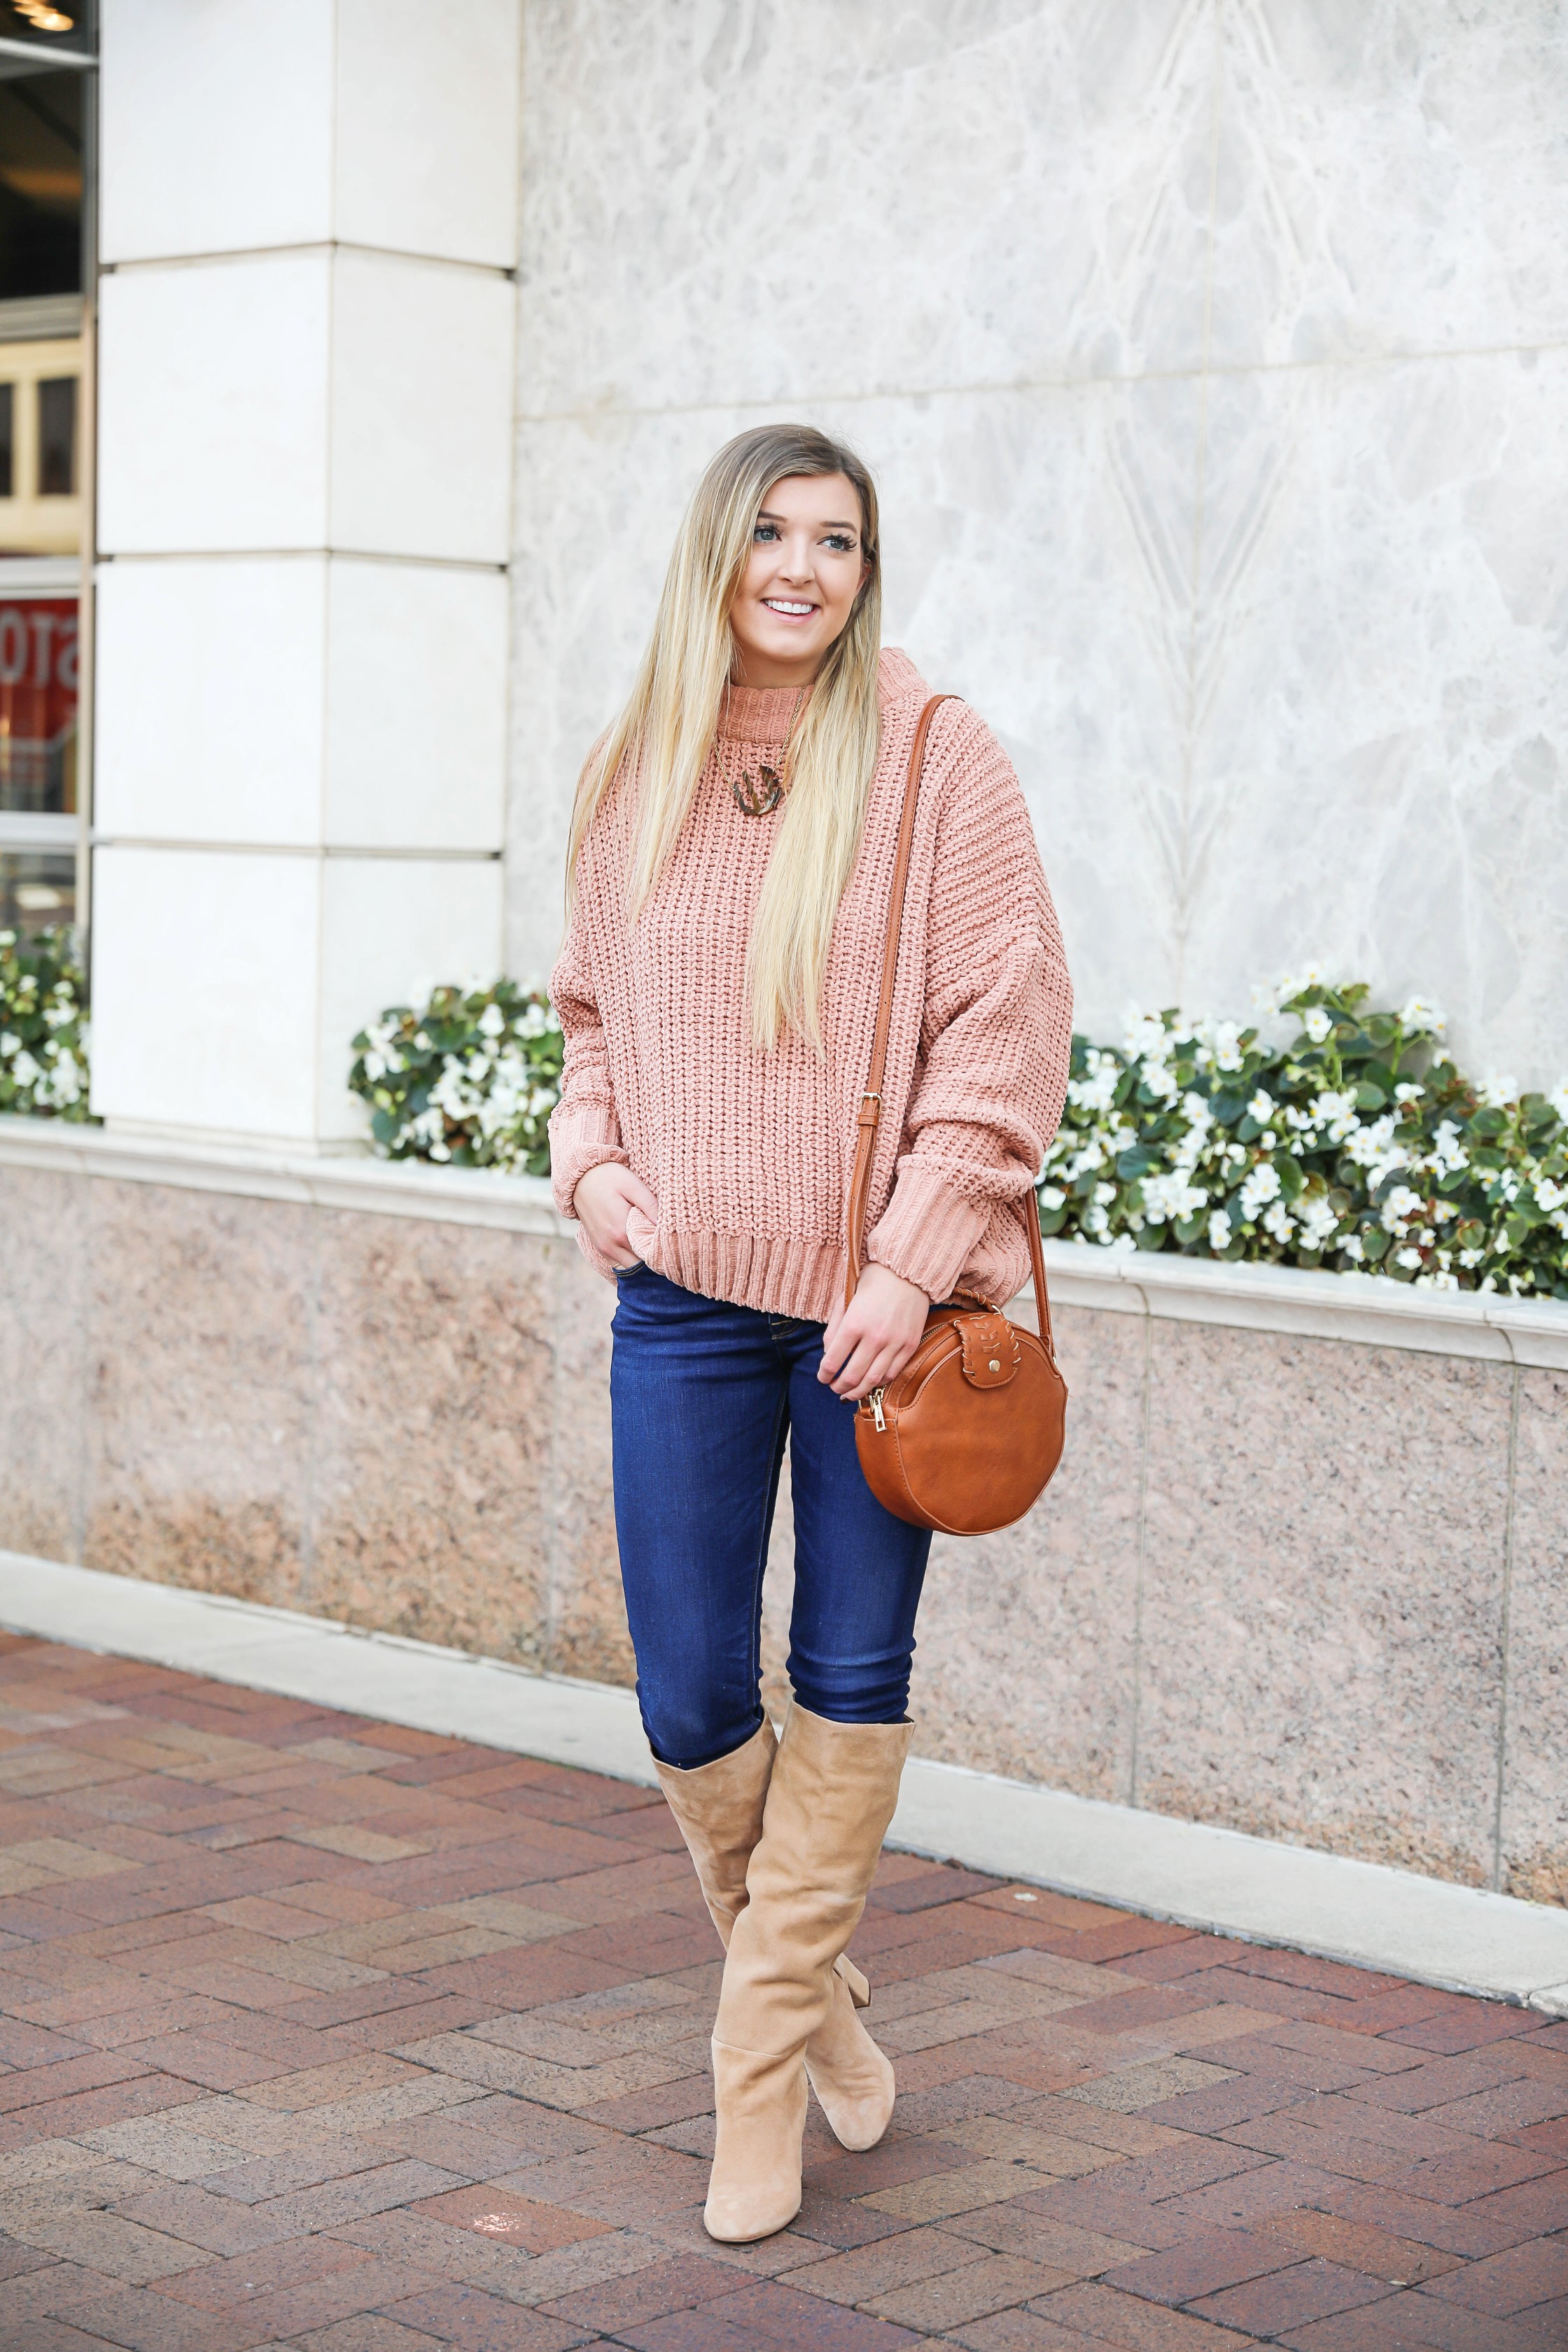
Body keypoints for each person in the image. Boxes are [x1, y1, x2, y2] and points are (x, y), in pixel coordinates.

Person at [549, 423, 1072, 2243]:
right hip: (684, 1307)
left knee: (849, 1676)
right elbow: (590, 1022)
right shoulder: (643, 769)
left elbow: (1005, 1040)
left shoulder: (938, 760)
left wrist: (909, 1261)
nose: (799, 565)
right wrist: (590, 1162)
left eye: (836, 539)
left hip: (879, 1325)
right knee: (693, 1693)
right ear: (717, 555)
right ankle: (825, 1999)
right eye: (769, 531)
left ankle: (755, 2079)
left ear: (866, 572)